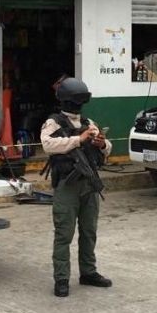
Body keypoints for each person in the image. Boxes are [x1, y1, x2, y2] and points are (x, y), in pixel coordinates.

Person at [41, 76, 112, 297]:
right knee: (64, 233)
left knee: (89, 231)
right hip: (67, 186)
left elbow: (107, 147)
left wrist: (102, 144)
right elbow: (48, 145)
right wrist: (78, 140)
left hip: (88, 185)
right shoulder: (54, 122)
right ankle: (61, 278)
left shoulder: (88, 123)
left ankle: (88, 272)